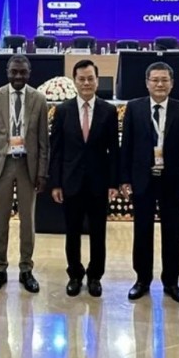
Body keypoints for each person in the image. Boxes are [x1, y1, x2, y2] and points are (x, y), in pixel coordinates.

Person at [119, 62, 179, 304]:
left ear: (172, 83)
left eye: (164, 80)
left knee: (171, 233)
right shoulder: (134, 108)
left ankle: (171, 282)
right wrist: (124, 179)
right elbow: (127, 146)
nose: (160, 84)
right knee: (142, 231)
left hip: (171, 180)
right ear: (147, 83)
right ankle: (142, 280)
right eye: (155, 80)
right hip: (143, 180)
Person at [49, 59, 118, 298]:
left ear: (97, 81)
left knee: (98, 233)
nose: (86, 83)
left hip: (99, 183)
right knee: (73, 232)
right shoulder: (62, 110)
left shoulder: (108, 111)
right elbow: (56, 150)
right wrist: (55, 183)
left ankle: (95, 275)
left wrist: (113, 183)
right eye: (82, 79)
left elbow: (114, 150)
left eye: (90, 78)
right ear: (75, 81)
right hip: (71, 182)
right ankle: (75, 275)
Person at [0, 54, 48, 294]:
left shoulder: (39, 99)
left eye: (23, 72)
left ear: (29, 73)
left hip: (28, 167)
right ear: (7, 72)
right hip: (3, 165)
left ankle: (26, 269)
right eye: (14, 72)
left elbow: (43, 141)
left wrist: (42, 172)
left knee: (28, 222)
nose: (18, 76)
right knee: (0, 220)